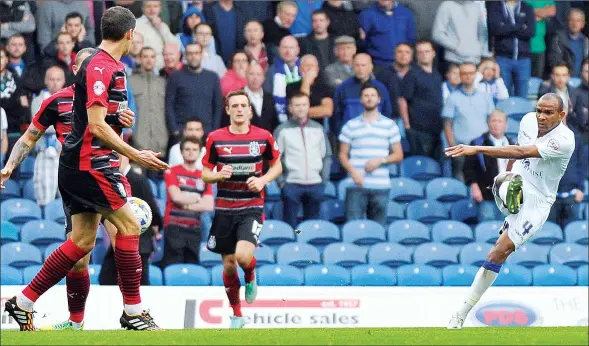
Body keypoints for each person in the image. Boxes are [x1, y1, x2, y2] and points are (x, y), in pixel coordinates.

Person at [3, 6, 169, 332]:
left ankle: (22, 303)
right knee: (132, 226)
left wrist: (121, 126)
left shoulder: (106, 67)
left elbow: (101, 120)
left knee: (80, 243)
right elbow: (95, 126)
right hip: (89, 164)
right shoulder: (103, 67)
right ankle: (133, 313)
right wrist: (137, 154)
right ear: (131, 34)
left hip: (83, 165)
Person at [1, 48, 131, 330]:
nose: (92, 72)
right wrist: (10, 166)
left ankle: (133, 313)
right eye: (86, 67)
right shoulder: (56, 102)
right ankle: (75, 322)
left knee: (126, 239)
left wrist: (126, 142)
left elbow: (119, 137)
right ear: (75, 69)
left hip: (109, 175)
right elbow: (28, 138)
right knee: (79, 260)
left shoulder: (109, 98)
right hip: (80, 180)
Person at [445, 93, 575, 329]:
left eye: (548, 112)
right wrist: (506, 176)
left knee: (498, 254)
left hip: (538, 200)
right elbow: (516, 150)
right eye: (539, 110)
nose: (541, 116)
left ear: (561, 115)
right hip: (520, 180)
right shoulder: (527, 121)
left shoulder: (565, 139)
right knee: (505, 181)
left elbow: (522, 152)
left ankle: (461, 313)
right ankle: (458, 318)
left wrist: (475, 149)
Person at [202, 90, 282, 329]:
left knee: (243, 257)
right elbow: (205, 173)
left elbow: (277, 166)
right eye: (234, 105)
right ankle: (237, 315)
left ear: (249, 110)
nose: (238, 109)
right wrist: (217, 176)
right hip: (225, 208)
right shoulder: (215, 138)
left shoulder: (263, 137)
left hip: (251, 206)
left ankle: (250, 276)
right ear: (227, 110)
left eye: (243, 105)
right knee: (228, 264)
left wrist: (263, 180)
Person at [338, 83, 404, 225]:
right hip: (356, 185)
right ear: (361, 100)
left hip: (381, 186)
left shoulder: (389, 125)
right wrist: (353, 172)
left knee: (378, 230)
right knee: (353, 228)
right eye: (366, 95)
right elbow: (342, 155)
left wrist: (380, 161)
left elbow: (398, 155)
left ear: (379, 99)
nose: (369, 98)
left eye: (373, 95)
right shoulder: (350, 125)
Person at [99, 155, 164, 286]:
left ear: (127, 158)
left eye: (119, 158)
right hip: (121, 237)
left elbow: (151, 209)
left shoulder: (139, 180)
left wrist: (156, 226)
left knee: (139, 282)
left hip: (140, 243)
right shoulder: (111, 180)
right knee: (107, 278)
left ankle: (140, 306)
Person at [274, 91, 332, 228]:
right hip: (291, 185)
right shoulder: (282, 130)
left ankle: (308, 247)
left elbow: (327, 156)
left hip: (316, 184)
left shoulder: (318, 129)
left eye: (304, 104)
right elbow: (274, 159)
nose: (301, 108)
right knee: (291, 226)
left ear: (308, 106)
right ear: (290, 108)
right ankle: (294, 243)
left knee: (311, 226)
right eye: (297, 105)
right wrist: (282, 182)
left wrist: (323, 179)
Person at [163, 136, 214, 266]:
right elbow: (176, 197)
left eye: (194, 149)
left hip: (195, 229)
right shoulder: (171, 171)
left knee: (193, 266)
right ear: (181, 152)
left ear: (199, 152)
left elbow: (208, 205)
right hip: (174, 228)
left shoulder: (205, 176)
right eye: (187, 149)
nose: (191, 152)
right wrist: (197, 198)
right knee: (173, 267)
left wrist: (186, 205)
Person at [463, 110, 515, 222]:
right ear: (488, 123)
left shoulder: (513, 145)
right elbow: (468, 169)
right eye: (493, 121)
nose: (496, 124)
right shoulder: (477, 144)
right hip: (486, 196)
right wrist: (474, 187)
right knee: (488, 227)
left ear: (506, 125)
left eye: (500, 121)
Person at [165, 42, 223, 139]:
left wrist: (215, 130)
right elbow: (169, 104)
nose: (193, 56)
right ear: (185, 56)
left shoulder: (212, 77)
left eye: (196, 53)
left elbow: (217, 106)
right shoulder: (175, 76)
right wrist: (174, 130)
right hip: (182, 131)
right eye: (190, 53)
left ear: (201, 55)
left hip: (207, 132)